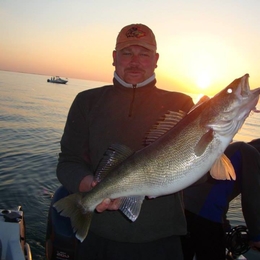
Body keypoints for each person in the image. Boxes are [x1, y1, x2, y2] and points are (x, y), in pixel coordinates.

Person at [47, 24, 194, 260]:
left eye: (144, 54)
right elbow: (68, 162)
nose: (135, 61)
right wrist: (89, 187)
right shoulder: (86, 101)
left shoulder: (182, 104)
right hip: (98, 239)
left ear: (156, 59)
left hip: (162, 240)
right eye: (127, 53)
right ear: (114, 58)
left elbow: (198, 168)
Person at [181, 139, 260, 260]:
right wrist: (256, 237)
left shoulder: (235, 150)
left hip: (183, 209)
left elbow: (216, 191)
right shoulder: (251, 155)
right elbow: (252, 201)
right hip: (204, 217)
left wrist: (225, 226)